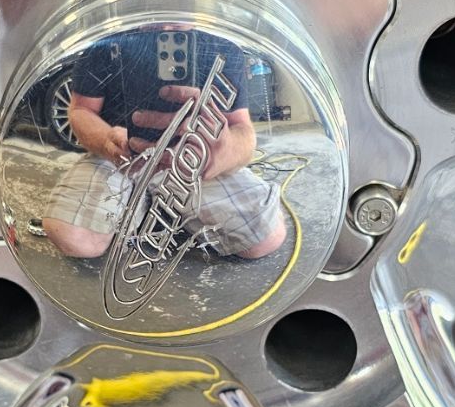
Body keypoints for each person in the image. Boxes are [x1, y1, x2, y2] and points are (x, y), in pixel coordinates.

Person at [42, 28, 286, 262]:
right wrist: (107, 140)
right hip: (119, 155)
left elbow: (242, 128)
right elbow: (81, 110)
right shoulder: (106, 45)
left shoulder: (222, 49)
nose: (167, 26)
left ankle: (145, 207)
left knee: (265, 236)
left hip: (192, 160)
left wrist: (225, 153)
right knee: (75, 238)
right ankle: (152, 205)